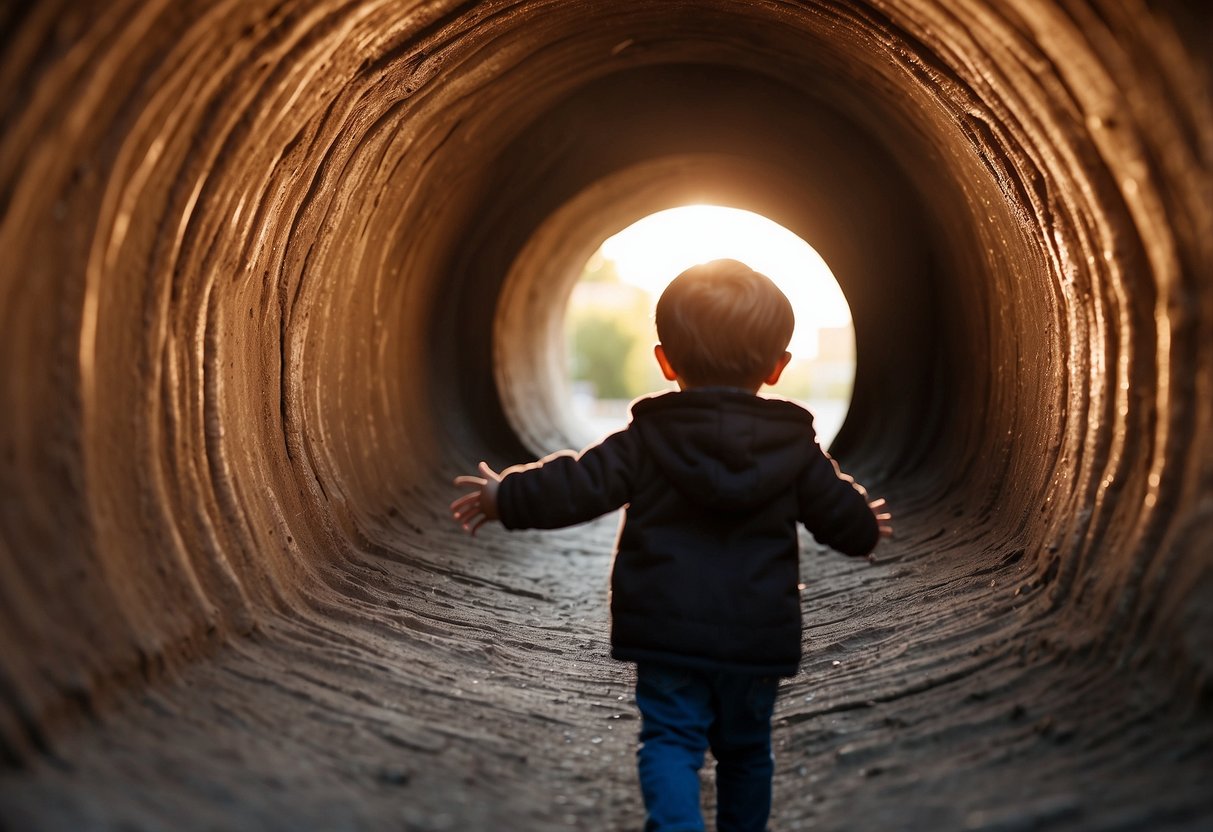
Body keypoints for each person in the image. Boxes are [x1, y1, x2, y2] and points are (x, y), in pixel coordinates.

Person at [450, 258, 892, 832]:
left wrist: (504, 496)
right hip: (757, 635)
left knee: (670, 741)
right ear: (778, 368)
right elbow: (843, 518)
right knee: (747, 752)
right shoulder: (794, 451)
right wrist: (866, 523)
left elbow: (578, 485)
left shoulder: (644, 440)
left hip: (666, 633)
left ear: (664, 360)